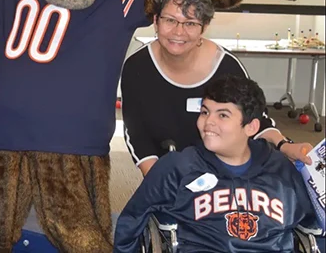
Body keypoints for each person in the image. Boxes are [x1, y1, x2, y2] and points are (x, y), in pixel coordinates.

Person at [120, 0, 312, 177]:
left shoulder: (225, 67)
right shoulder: (137, 67)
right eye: (170, 20)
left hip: (222, 173)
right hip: (165, 170)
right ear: (155, 21)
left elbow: (254, 121)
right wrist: (159, 181)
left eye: (190, 23)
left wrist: (285, 146)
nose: (178, 32)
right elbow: (137, 134)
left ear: (204, 28)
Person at [114, 74, 317, 252]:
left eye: (222, 115)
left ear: (251, 127)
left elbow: (315, 226)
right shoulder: (178, 167)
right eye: (204, 112)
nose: (208, 122)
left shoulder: (281, 170)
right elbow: (132, 220)